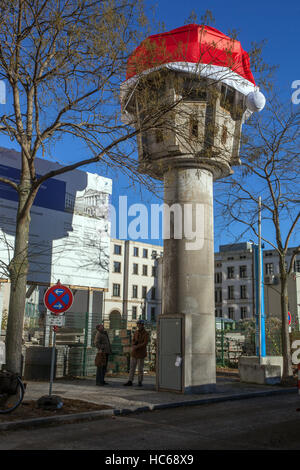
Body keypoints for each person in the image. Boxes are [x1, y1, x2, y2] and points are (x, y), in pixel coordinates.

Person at [124, 319, 149, 387]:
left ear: (142, 325)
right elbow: (133, 340)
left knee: (140, 368)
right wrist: (133, 344)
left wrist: (137, 346)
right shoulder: (136, 332)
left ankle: (140, 381)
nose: (138, 326)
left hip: (141, 353)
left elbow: (145, 343)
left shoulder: (146, 333)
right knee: (132, 368)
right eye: (138, 325)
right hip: (134, 353)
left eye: (139, 325)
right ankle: (130, 380)